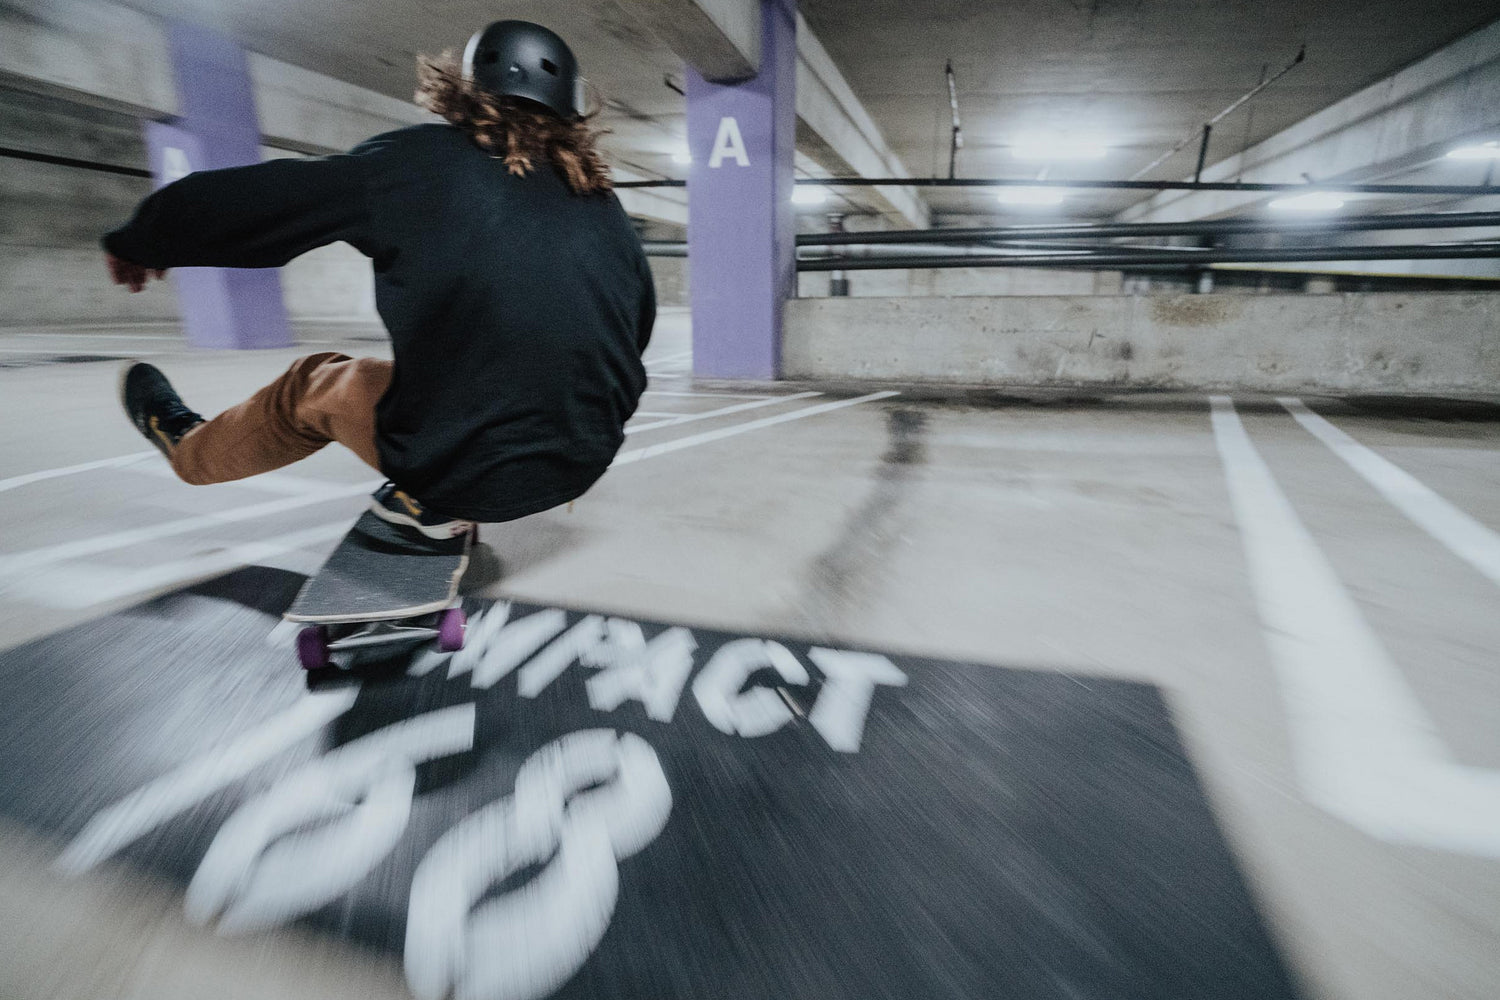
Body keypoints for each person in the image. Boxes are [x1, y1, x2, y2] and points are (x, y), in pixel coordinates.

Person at [107, 20, 655, 539]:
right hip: (586, 455)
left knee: (313, 383)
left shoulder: (415, 162)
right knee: (461, 372)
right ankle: (447, 479)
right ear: (570, 110)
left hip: (461, 467)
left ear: (463, 93)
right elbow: (635, 329)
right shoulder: (603, 206)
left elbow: (257, 203)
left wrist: (144, 239)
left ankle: (189, 447)